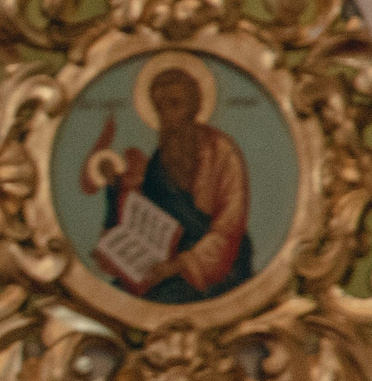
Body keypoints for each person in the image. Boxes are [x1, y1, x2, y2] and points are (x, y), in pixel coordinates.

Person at [82, 58, 252, 302]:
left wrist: (177, 266)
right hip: (165, 258)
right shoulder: (159, 159)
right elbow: (147, 214)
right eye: (160, 107)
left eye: (175, 104)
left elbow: (228, 229)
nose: (168, 116)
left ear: (194, 106)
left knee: (163, 298)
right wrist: (115, 188)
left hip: (218, 264)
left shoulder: (223, 153)